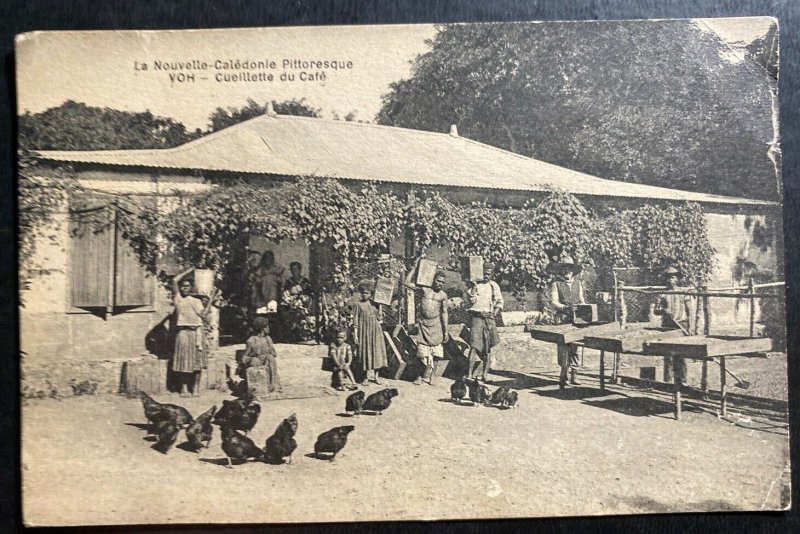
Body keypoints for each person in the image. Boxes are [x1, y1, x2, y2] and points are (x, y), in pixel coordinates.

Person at [403, 256, 449, 385]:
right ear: (433, 280)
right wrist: (415, 267)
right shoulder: (424, 290)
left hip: (437, 326)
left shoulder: (443, 295)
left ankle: (431, 376)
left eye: (442, 282)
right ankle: (419, 376)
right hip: (424, 326)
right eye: (439, 281)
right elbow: (406, 283)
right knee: (421, 354)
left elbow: (444, 313)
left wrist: (445, 332)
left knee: (436, 354)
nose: (440, 284)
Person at [171, 268, 213, 397]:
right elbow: (174, 280)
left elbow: (204, 315)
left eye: (188, 286)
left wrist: (211, 299)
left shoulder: (196, 301)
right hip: (183, 333)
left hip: (197, 333)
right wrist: (190, 270)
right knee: (183, 361)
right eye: (183, 286)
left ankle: (195, 387)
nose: (185, 288)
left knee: (197, 362)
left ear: (191, 288)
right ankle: (184, 388)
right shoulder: (178, 299)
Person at [652, 265, 695, 386]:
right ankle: (668, 381)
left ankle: (683, 381)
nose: (670, 280)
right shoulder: (662, 294)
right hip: (667, 326)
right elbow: (656, 311)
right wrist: (663, 311)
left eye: (673, 278)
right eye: (668, 278)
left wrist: (690, 327)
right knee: (668, 354)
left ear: (677, 279)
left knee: (681, 354)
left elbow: (690, 310)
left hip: (681, 324)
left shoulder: (684, 292)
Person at [549, 255, 586, 389]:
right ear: (561, 271)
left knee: (575, 346)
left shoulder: (578, 284)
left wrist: (584, 309)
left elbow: (581, 300)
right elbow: (554, 302)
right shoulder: (556, 284)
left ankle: (574, 374)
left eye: (569, 269)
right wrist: (565, 308)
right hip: (563, 319)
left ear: (573, 271)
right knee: (564, 347)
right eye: (564, 269)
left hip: (576, 319)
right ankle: (563, 374)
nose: (567, 272)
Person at [464, 262, 503, 383]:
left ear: (492, 275)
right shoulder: (475, 286)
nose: (486, 276)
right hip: (476, 318)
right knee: (474, 346)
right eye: (485, 274)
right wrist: (474, 287)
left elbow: (500, 301)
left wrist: (494, 314)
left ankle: (485, 375)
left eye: (489, 274)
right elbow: (470, 302)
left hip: (489, 318)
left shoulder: (493, 286)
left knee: (488, 347)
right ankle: (469, 374)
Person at [352, 280, 388, 386]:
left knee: (377, 353)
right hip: (364, 332)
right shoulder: (358, 305)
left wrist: (380, 306)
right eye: (363, 293)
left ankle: (376, 377)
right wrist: (355, 333)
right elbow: (355, 320)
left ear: (371, 294)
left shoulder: (375, 304)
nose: (364, 295)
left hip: (376, 332)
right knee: (365, 353)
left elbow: (380, 318)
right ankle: (366, 377)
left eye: (367, 293)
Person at [238, 316, 282, 394]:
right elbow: (244, 358)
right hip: (257, 362)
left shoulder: (268, 339)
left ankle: (272, 385)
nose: (269, 328)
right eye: (267, 326)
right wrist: (253, 358)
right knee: (255, 361)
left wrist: (267, 355)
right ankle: (259, 387)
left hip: (267, 362)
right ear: (262, 328)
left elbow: (274, 353)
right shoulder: (251, 340)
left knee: (271, 358)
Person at [250, 250, 284, 336]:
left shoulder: (276, 270)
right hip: (262, 296)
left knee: (273, 315)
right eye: (266, 258)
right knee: (262, 315)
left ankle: (273, 334)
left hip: (273, 296)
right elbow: (256, 284)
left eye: (270, 258)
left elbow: (280, 285)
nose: (268, 261)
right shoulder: (260, 271)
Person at [281, 261, 315, 341]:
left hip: (303, 304)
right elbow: (285, 293)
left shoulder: (305, 281)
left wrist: (303, 299)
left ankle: (303, 334)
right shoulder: (288, 282)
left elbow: (310, 294)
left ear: (300, 270)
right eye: (292, 269)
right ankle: (291, 335)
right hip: (291, 304)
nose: (294, 271)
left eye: (296, 269)